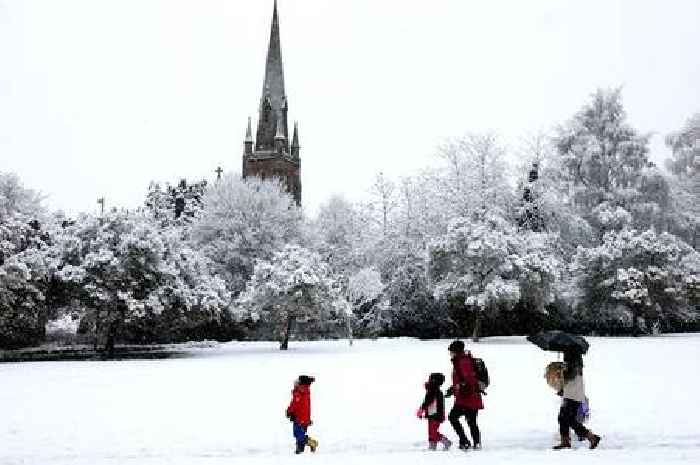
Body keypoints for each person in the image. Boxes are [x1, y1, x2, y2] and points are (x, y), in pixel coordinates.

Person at [553, 351, 601, 450]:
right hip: (571, 393)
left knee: (567, 418)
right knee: (563, 418)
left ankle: (591, 437)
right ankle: (565, 441)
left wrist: (561, 370)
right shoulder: (573, 360)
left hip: (573, 394)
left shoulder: (574, 362)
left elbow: (570, 375)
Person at [446, 340, 484, 450]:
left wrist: (457, 387)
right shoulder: (461, 360)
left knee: (454, 417)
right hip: (468, 396)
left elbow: (468, 379)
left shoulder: (463, 361)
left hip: (467, 397)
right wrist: (453, 388)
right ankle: (474, 443)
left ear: (456, 351)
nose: (450, 353)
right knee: (471, 421)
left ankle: (465, 441)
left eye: (451, 351)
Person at [416, 372, 452, 450]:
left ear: (434, 381)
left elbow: (428, 401)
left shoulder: (433, 391)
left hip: (435, 415)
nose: (428, 381)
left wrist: (421, 409)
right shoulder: (434, 390)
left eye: (430, 379)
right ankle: (432, 446)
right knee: (431, 432)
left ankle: (446, 441)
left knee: (433, 432)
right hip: (432, 414)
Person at [286, 375, 319, 454]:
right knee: (301, 433)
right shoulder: (304, 391)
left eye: (298, 381)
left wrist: (289, 411)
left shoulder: (300, 392)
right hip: (304, 417)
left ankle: (312, 442)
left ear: (301, 383)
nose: (296, 382)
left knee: (297, 433)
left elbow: (294, 404)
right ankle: (300, 449)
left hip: (300, 417)